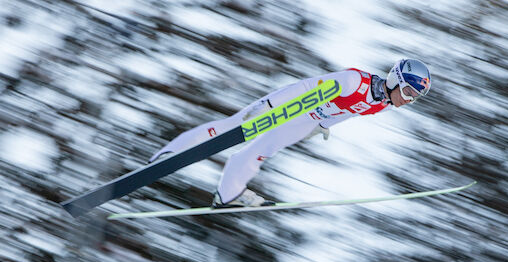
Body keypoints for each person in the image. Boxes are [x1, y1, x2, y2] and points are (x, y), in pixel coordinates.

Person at [149, 59, 431, 208]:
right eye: (408, 91)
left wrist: (321, 127)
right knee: (232, 127)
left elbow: (348, 113)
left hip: (306, 121)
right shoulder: (355, 80)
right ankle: (170, 154)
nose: (408, 99)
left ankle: (228, 194)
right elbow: (308, 87)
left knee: (260, 151)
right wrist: (272, 105)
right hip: (289, 106)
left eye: (414, 97)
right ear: (395, 79)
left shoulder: (383, 105)